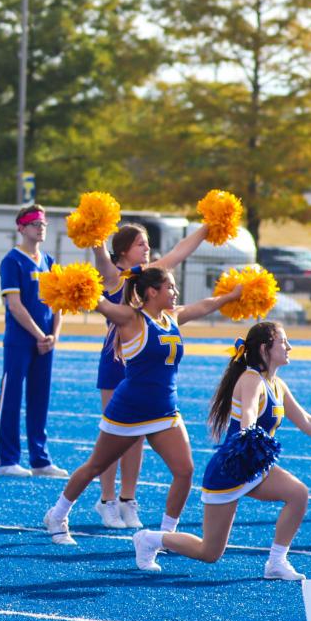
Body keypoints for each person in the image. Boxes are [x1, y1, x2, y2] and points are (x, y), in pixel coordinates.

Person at [130, 321, 311, 578]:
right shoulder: (251, 379)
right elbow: (248, 412)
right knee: (209, 552)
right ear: (265, 348)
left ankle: (276, 562)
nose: (289, 347)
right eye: (283, 342)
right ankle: (150, 539)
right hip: (231, 467)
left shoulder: (277, 384)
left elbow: (305, 420)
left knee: (298, 494)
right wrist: (249, 437)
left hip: (256, 465)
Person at [44, 267, 240, 545]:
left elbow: (204, 306)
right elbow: (99, 303)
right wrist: (74, 284)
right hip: (129, 411)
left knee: (185, 471)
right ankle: (58, 514)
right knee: (95, 466)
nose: (175, 293)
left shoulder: (171, 317)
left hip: (164, 410)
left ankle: (166, 537)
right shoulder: (131, 318)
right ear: (152, 291)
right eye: (170, 287)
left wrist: (232, 295)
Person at [88, 222, 209, 528]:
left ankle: (129, 500)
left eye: (147, 244)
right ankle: (107, 501)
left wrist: (207, 228)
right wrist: (93, 232)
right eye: (141, 244)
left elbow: (179, 253)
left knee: (137, 437)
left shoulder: (148, 275)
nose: (147, 249)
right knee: (114, 437)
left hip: (146, 359)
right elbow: (99, 256)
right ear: (124, 249)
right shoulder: (113, 274)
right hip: (116, 361)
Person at [0, 204, 66, 478]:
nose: (41, 227)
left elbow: (59, 303)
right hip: (20, 340)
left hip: (46, 342)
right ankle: (7, 459)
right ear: (21, 227)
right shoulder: (12, 261)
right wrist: (39, 335)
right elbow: (15, 305)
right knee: (11, 397)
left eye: (43, 223)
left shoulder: (50, 261)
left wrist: (54, 335)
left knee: (40, 399)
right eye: (35, 223)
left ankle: (40, 459)